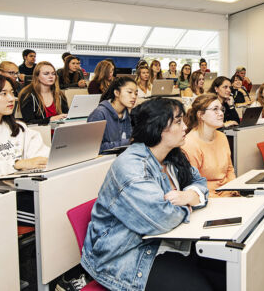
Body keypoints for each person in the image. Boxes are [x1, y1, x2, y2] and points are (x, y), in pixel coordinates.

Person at [81, 98, 223, 291]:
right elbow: (162, 218)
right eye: (179, 121)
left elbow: (199, 182)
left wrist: (189, 196)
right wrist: (191, 203)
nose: (185, 127)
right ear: (158, 128)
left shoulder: (173, 155)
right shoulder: (131, 167)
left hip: (168, 242)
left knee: (227, 273)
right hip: (128, 256)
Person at [182, 94, 238, 197]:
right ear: (201, 115)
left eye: (221, 109)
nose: (221, 113)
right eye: (215, 109)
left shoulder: (222, 137)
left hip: (228, 192)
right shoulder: (189, 144)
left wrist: (233, 189)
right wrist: (223, 198)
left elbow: (230, 170)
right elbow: (194, 186)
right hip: (208, 197)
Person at [87, 77, 137, 154]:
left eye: (136, 93)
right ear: (117, 93)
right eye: (130, 92)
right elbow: (93, 148)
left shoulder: (126, 113)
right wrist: (128, 142)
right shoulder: (99, 113)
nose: (134, 96)